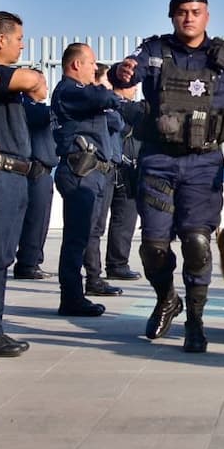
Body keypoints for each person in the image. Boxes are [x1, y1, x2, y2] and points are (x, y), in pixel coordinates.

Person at [111, 0, 224, 352]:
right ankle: (167, 298)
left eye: (195, 11)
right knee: (153, 248)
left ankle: (195, 323)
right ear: (172, 16)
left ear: (206, 15)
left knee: (196, 243)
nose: (188, 17)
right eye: (181, 12)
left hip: (203, 162)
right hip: (159, 160)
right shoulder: (154, 51)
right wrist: (122, 70)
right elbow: (126, 74)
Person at [0, 12, 46, 358]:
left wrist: (32, 79)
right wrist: (29, 79)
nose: (22, 45)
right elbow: (33, 81)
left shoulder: (4, 76)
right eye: (18, 39)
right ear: (1, 40)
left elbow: (39, 86)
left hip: (17, 174)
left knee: (1, 255)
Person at [52, 43, 120, 317]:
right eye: (91, 63)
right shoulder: (71, 90)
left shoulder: (80, 94)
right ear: (76, 64)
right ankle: (71, 297)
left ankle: (77, 292)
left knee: (85, 235)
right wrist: (111, 93)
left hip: (92, 173)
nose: (95, 68)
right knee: (76, 238)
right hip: (81, 171)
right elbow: (104, 99)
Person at [82, 64, 126, 298]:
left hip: (109, 167)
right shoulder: (97, 105)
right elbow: (116, 122)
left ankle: (94, 275)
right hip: (96, 169)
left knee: (97, 226)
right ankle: (93, 276)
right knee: (93, 227)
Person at [13, 94, 58, 281]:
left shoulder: (37, 108)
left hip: (44, 171)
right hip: (36, 170)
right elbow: (46, 115)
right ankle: (27, 263)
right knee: (35, 220)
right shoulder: (27, 106)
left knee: (41, 220)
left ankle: (32, 261)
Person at [104, 83, 143, 280]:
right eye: (132, 86)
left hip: (127, 168)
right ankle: (115, 264)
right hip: (117, 167)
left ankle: (117, 264)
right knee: (117, 219)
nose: (135, 90)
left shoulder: (125, 106)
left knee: (125, 218)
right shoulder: (114, 104)